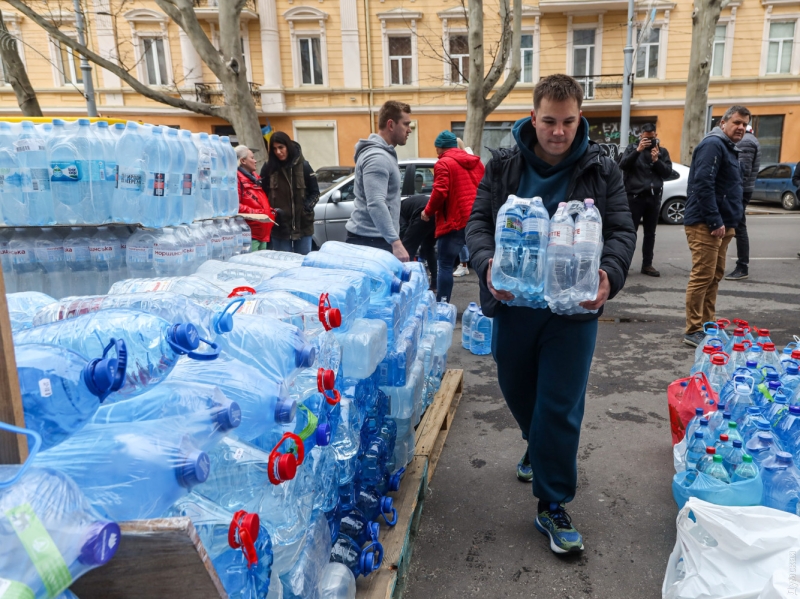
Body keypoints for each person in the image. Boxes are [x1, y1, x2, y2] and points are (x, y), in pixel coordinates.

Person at [466, 74, 635, 554]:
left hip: (572, 311)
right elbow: (478, 222)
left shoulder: (602, 168)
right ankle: (534, 443)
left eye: (567, 121)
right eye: (548, 121)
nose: (557, 131)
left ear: (579, 117)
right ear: (533, 116)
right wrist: (486, 263)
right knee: (518, 391)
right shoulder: (503, 164)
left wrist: (610, 274)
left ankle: (552, 504)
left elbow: (622, 229)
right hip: (515, 305)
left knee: (558, 407)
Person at [682, 105, 749, 347]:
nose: (741, 127)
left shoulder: (729, 148)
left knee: (714, 276)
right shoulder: (713, 144)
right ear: (724, 123)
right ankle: (693, 329)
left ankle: (708, 324)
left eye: (744, 124)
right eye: (737, 122)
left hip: (724, 223)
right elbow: (702, 183)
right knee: (703, 276)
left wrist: (731, 220)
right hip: (706, 223)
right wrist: (714, 220)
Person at [420, 130, 485, 301]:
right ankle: (488, 307)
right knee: (482, 264)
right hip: (478, 219)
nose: (436, 153)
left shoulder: (443, 164)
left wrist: (427, 212)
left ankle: (442, 305)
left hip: (456, 220)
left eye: (436, 149)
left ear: (440, 148)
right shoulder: (477, 162)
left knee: (446, 265)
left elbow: (440, 192)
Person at [345, 101, 412, 261]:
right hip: (370, 241)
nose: (409, 130)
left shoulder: (384, 154)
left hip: (375, 239)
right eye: (406, 124)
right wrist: (395, 242)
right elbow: (375, 203)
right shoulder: (377, 158)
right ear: (391, 124)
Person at [617, 123, 672, 277]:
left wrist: (656, 161)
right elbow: (623, 165)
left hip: (653, 198)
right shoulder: (632, 148)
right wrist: (638, 150)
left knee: (650, 233)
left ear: (655, 135)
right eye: (646, 138)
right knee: (629, 233)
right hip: (634, 197)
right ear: (641, 136)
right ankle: (623, 265)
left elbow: (667, 173)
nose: (649, 141)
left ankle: (647, 265)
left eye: (651, 137)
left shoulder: (662, 151)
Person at [259, 131, 319, 255]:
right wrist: (271, 212)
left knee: (302, 264)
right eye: (275, 149)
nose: (278, 152)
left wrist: (306, 208)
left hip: (303, 225)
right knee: (282, 265)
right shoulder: (269, 168)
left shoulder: (304, 166)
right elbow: (261, 194)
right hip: (280, 227)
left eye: (281, 147)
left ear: (288, 146)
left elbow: (315, 192)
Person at [726, 125, 761, 280]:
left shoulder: (745, 141)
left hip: (739, 190)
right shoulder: (748, 139)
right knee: (732, 225)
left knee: (739, 227)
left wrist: (735, 191)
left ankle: (742, 267)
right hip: (740, 189)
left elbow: (743, 170)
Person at [236, 145, 275, 251]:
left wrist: (271, 212)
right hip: (250, 234)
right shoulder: (236, 178)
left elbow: (258, 202)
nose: (255, 161)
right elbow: (235, 206)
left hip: (262, 232)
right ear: (243, 160)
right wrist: (259, 213)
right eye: (252, 158)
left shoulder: (255, 178)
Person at [400, 194, 437, 292]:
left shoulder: (397, 210)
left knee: (406, 250)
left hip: (423, 213)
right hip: (435, 212)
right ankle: (434, 283)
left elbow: (403, 230)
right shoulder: (406, 203)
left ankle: (408, 285)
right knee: (429, 247)